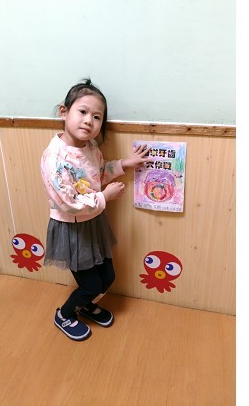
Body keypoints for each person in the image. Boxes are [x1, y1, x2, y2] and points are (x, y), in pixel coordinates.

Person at [40, 79, 149, 341]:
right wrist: (104, 197)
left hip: (93, 221)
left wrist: (125, 163)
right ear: (64, 112)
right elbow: (67, 202)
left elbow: (98, 174)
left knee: (107, 276)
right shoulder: (54, 156)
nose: (89, 120)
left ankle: (85, 304)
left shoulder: (90, 147)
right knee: (90, 284)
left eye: (97, 116)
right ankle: (65, 314)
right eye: (83, 111)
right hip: (72, 228)